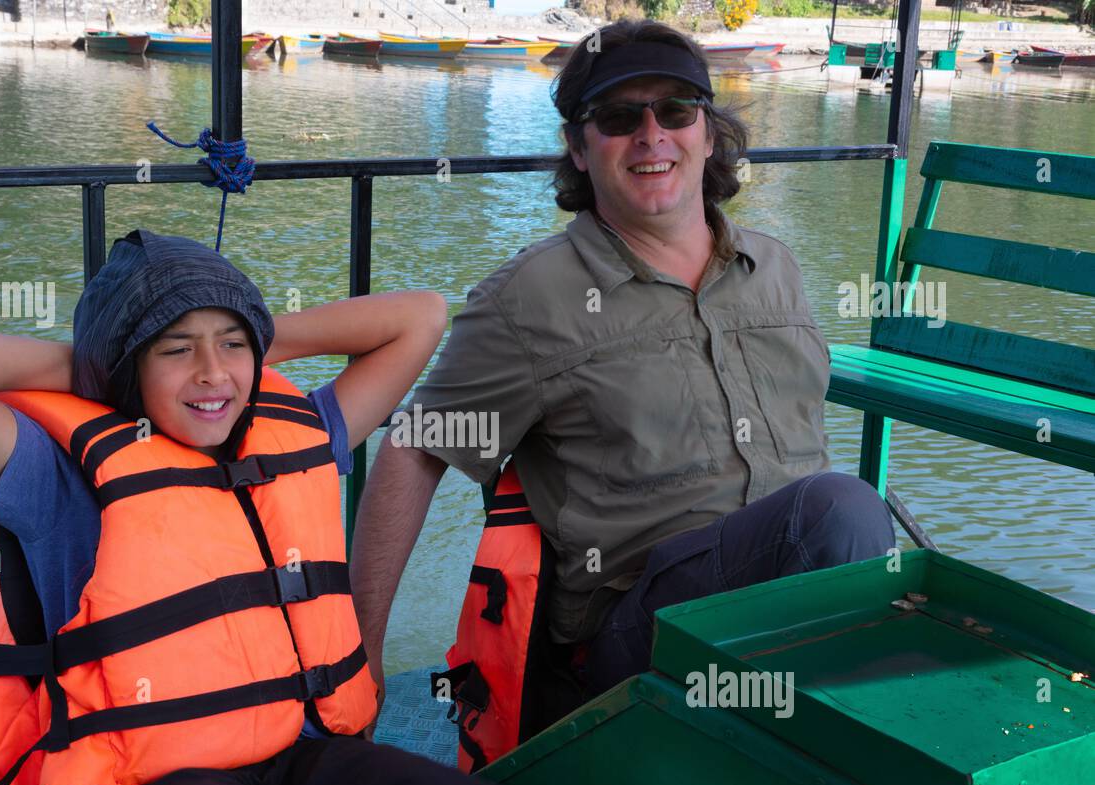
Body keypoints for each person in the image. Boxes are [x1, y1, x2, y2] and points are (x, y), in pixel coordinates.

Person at [0, 229, 550, 785]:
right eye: (174, 351)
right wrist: (104, 360)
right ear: (122, 367)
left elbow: (419, 315)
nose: (212, 375)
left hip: (295, 756)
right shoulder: (53, 478)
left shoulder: (301, 432)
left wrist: (241, 338)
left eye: (232, 346)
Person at [350, 20, 896, 724]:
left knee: (890, 567)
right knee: (845, 510)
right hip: (641, 626)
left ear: (707, 130)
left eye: (675, 110)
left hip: (794, 595)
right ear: (578, 148)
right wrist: (359, 664)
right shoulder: (533, 296)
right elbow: (415, 448)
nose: (651, 135)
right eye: (616, 117)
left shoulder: (775, 267)